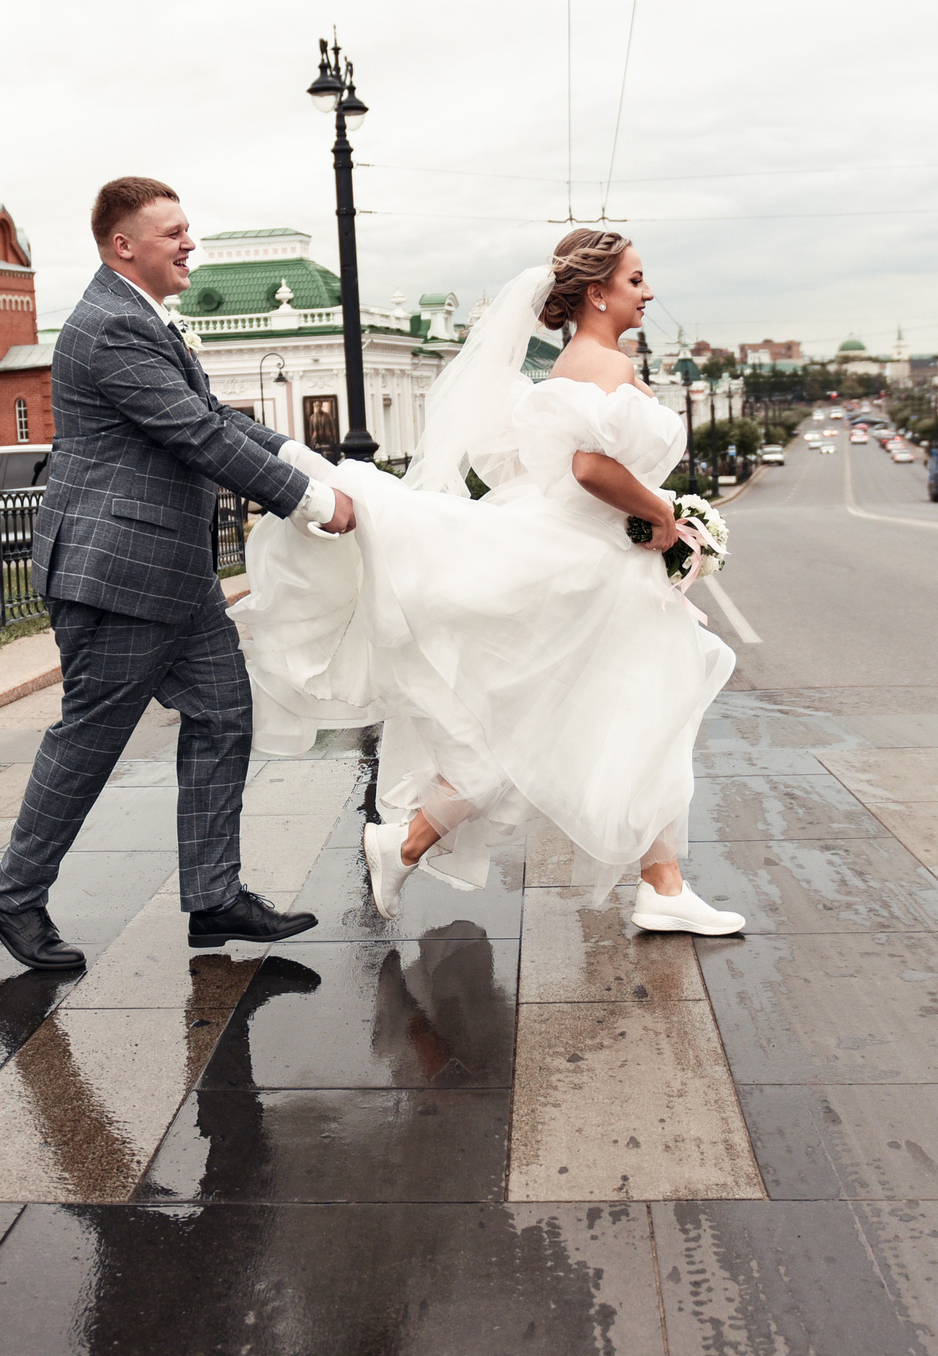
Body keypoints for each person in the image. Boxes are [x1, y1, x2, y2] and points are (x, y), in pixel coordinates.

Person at [233, 228, 744, 934]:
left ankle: (658, 882)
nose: (648, 291)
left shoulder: (585, 360)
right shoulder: (602, 365)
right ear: (598, 292)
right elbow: (590, 469)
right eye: (636, 280)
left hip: (597, 564)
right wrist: (661, 510)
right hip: (590, 568)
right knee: (579, 723)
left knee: (598, 721)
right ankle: (647, 883)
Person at [0, 177, 359, 972]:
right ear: (124, 246)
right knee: (89, 738)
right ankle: (13, 894)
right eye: (172, 232)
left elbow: (213, 418)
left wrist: (297, 458)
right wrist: (311, 499)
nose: (190, 244)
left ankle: (213, 895)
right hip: (118, 573)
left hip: (169, 573)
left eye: (188, 229)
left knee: (224, 713)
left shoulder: (143, 319)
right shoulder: (110, 327)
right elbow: (193, 435)